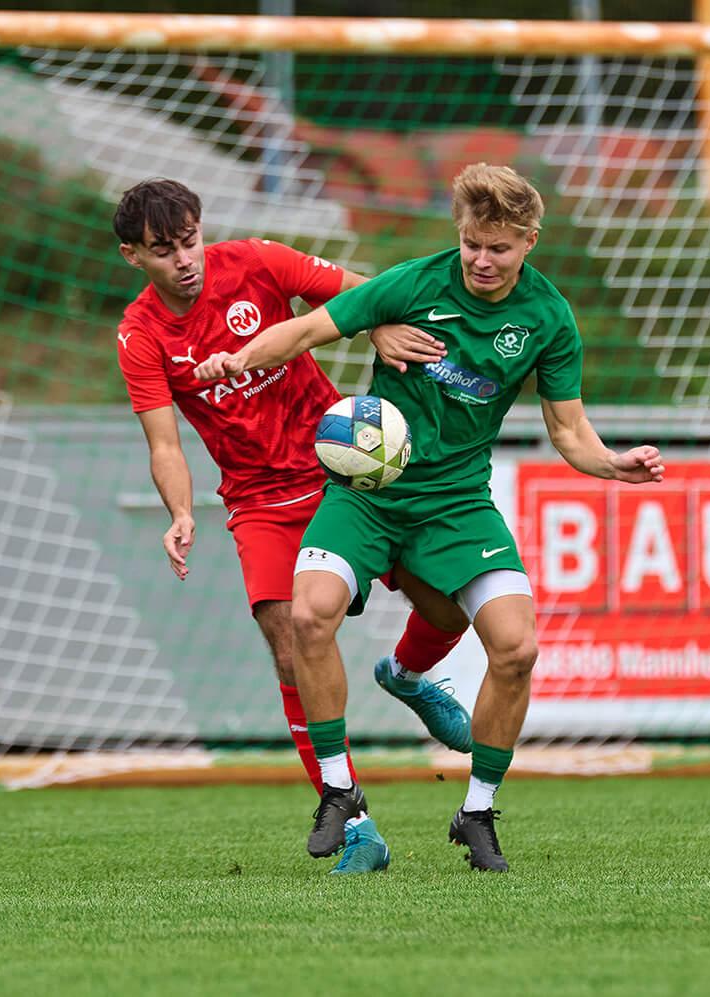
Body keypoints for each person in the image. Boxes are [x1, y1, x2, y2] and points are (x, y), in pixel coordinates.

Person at [193, 163, 665, 873]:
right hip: (368, 491)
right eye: (473, 243)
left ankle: (476, 811)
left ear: (530, 241)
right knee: (309, 616)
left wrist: (613, 464)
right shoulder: (415, 282)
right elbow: (305, 330)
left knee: (517, 647)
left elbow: (569, 431)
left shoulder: (547, 318)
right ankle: (341, 793)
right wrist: (236, 359)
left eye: (499, 248)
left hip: (457, 502)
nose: (481, 259)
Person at [113, 178, 476, 874]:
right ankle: (357, 822)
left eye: (190, 239)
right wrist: (182, 512)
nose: (184, 258)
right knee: (288, 642)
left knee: (445, 602)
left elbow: (365, 288)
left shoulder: (256, 261)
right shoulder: (140, 335)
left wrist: (379, 322)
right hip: (257, 498)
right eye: (163, 250)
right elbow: (165, 443)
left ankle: (405, 673)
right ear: (134, 255)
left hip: (341, 468)